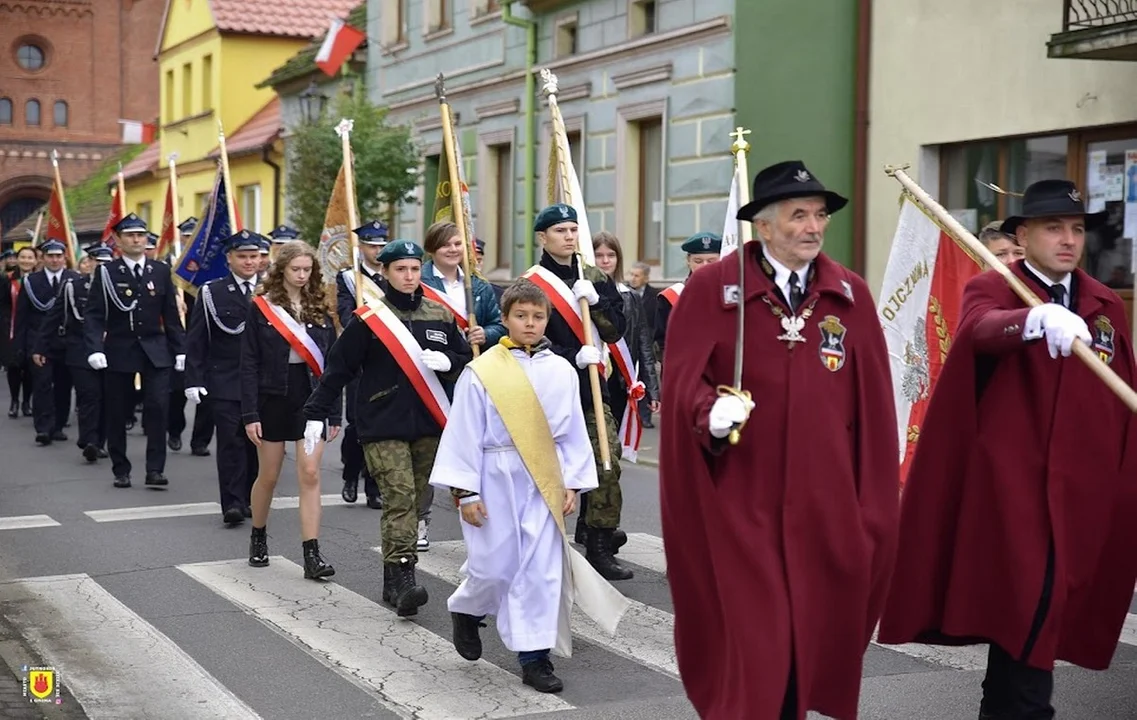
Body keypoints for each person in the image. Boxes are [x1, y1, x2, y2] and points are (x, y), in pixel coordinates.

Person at [878, 179, 1137, 720]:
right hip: (1014, 495)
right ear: (1023, 235)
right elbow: (979, 330)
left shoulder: (1104, 304)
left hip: (1079, 496)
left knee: (1032, 622)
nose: (1068, 239)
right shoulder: (998, 289)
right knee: (1029, 610)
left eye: (1077, 229)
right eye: (1053, 228)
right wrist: (1031, 321)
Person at [660, 161, 900, 720]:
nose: (814, 227)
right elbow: (682, 384)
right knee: (758, 645)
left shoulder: (849, 296)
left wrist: (874, 510)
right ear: (763, 227)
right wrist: (707, 412)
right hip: (741, 504)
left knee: (809, 644)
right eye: (799, 216)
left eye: (819, 215)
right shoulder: (712, 290)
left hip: (826, 505)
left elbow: (874, 407)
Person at [435, 279, 624, 694]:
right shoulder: (482, 371)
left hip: (543, 478)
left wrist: (572, 483)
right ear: (504, 319)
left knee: (539, 572)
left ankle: (534, 657)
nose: (530, 323)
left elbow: (572, 431)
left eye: (538, 317)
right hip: (493, 473)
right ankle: (467, 609)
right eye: (521, 316)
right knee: (494, 565)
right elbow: (464, 430)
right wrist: (466, 492)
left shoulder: (560, 369)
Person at [303, 239, 471, 616]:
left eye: (414, 268)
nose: (408, 276)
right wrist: (316, 410)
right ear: (386, 273)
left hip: (429, 422)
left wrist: (448, 360)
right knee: (399, 496)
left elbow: (463, 356)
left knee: (417, 500)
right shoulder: (370, 318)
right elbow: (339, 367)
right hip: (381, 421)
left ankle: (392, 577)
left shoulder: (439, 313)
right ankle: (402, 578)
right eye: (400, 269)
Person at [520, 204, 631, 581]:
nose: (569, 236)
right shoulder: (531, 284)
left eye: (573, 230)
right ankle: (539, 545)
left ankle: (599, 544)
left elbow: (616, 330)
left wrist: (598, 302)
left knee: (606, 463)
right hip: (546, 390)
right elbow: (527, 336)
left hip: (591, 392)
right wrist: (571, 356)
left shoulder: (594, 277)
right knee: (545, 471)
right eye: (560, 231)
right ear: (543, 237)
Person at [241, 240, 341, 579]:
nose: (301, 275)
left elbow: (333, 365)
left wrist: (335, 411)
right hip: (272, 396)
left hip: (310, 396)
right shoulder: (262, 307)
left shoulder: (320, 306)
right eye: (295, 269)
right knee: (268, 476)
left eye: (307, 269)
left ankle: (311, 554)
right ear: (281, 269)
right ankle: (258, 535)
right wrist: (250, 414)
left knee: (310, 473)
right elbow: (249, 363)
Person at [85, 213, 186, 489]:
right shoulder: (106, 272)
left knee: (157, 408)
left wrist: (180, 350)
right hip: (119, 349)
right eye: (130, 235)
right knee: (117, 411)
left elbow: (171, 316)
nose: (136, 239)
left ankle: (155, 469)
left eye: (140, 234)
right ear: (118, 240)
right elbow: (94, 314)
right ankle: (121, 468)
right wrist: (94, 348)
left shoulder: (161, 271)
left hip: (155, 349)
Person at [582, 232, 658, 544]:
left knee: (610, 455)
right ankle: (591, 524)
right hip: (592, 373)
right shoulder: (583, 290)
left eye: (610, 256)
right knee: (597, 455)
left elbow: (642, 341)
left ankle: (600, 525)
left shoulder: (628, 296)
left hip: (619, 379)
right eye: (599, 256)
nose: (605, 261)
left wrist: (651, 388)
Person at [186, 231, 265, 526]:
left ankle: (249, 497)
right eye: (242, 256)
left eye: (254, 256)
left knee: (256, 443)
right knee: (230, 442)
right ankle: (232, 502)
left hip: (262, 381)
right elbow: (197, 339)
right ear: (229, 258)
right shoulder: (212, 291)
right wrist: (194, 378)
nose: (249, 261)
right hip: (226, 379)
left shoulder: (271, 290)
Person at [39, 243, 111, 462]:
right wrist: (40, 346)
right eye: (98, 262)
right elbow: (54, 316)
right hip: (80, 349)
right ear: (88, 263)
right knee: (90, 394)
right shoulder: (74, 287)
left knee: (108, 397)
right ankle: (89, 440)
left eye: (106, 263)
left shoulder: (120, 288)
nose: (101, 267)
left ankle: (99, 441)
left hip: (112, 350)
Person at [336, 220, 389, 510]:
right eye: (372, 245)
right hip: (359, 358)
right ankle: (349, 475)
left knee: (378, 426)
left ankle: (373, 487)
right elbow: (344, 314)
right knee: (356, 425)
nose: (378, 251)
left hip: (386, 359)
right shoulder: (349, 279)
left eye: (382, 245)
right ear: (362, 247)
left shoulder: (393, 275)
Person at [16, 239, 78, 445]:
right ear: (42, 258)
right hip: (40, 343)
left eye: (58, 256)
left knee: (63, 385)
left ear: (65, 257)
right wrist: (22, 347)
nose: (54, 260)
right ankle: (43, 428)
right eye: (50, 256)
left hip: (67, 342)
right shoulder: (31, 281)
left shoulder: (73, 278)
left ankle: (58, 425)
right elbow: (22, 317)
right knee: (42, 385)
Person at [421, 221, 507, 354]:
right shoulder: (418, 282)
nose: (453, 249)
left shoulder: (480, 285)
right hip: (430, 360)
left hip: (472, 361)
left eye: (458, 244)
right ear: (431, 249)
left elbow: (500, 325)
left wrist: (485, 334)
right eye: (445, 245)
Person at [654, 232, 721, 364]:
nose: (705, 266)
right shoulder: (672, 296)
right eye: (698, 261)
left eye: (711, 261)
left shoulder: (732, 295)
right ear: (688, 261)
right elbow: (661, 343)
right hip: (684, 370)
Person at [2, 247, 36, 418]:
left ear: (35, 260)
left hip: (32, 329)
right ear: (18, 259)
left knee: (30, 367)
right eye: (23, 257)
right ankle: (14, 401)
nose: (26, 261)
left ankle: (26, 402)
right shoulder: (7, 280)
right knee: (14, 366)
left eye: (30, 257)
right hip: (11, 328)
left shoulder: (39, 279)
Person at [626, 261, 658, 427]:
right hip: (629, 342)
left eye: (637, 275)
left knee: (646, 376)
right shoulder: (624, 293)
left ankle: (645, 416)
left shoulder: (655, 296)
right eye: (631, 274)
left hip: (648, 342)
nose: (633, 278)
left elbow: (656, 321)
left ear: (645, 278)